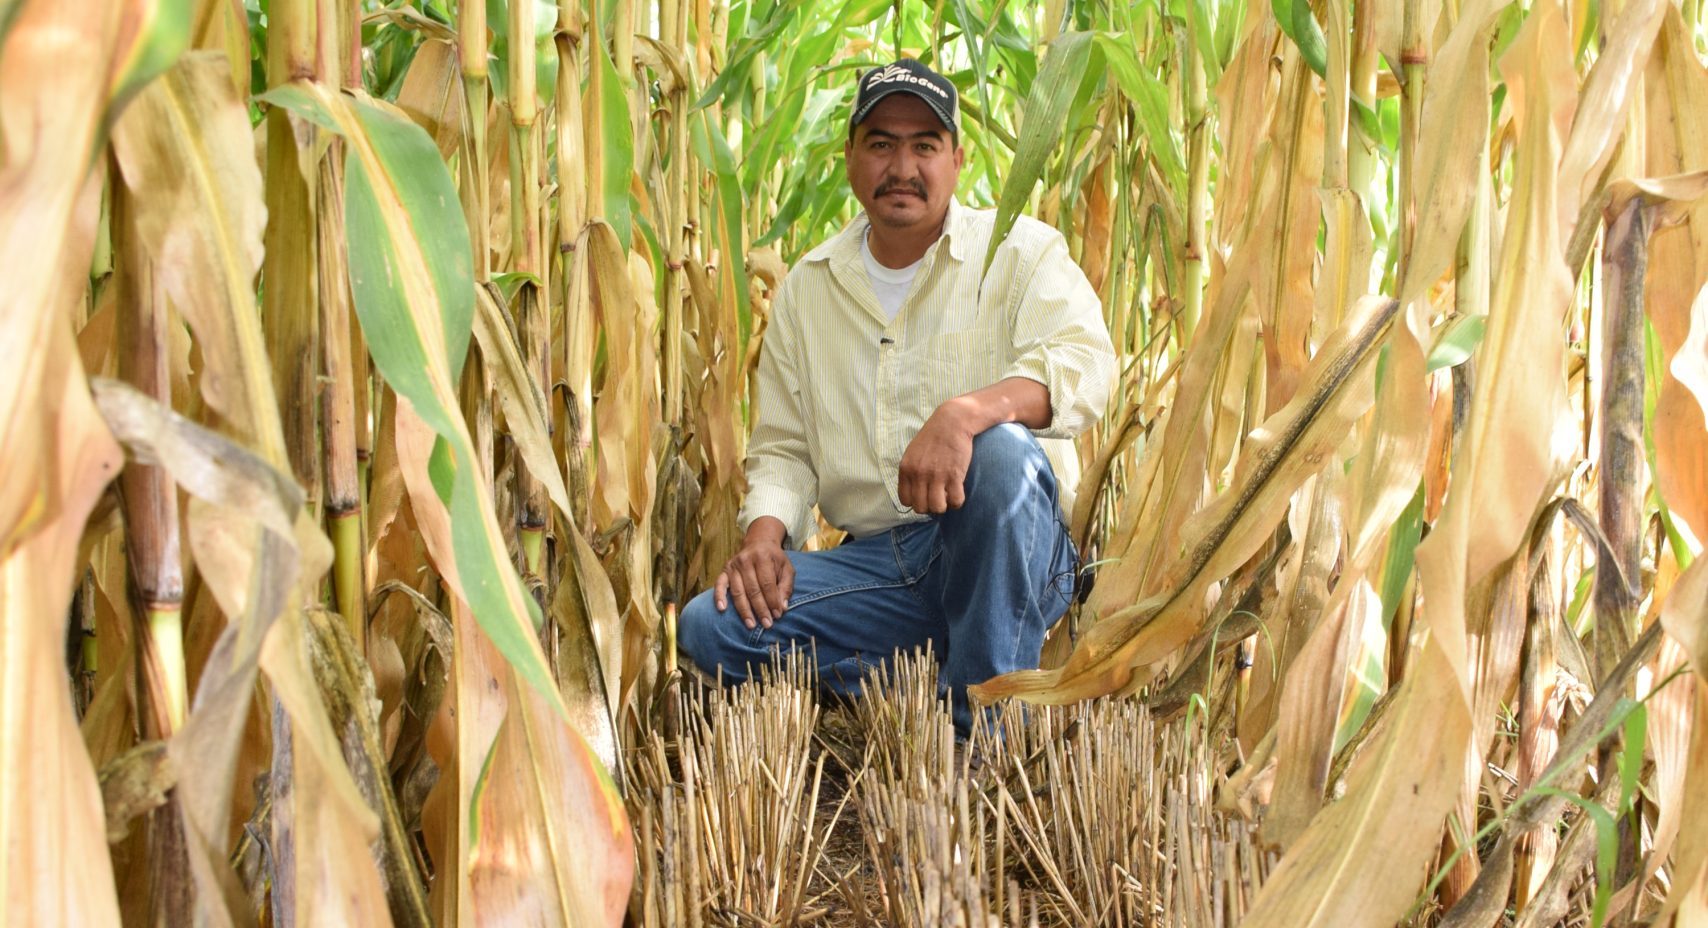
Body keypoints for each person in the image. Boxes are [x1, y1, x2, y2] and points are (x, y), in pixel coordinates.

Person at [677, 57, 1116, 734]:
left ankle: (982, 733)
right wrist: (765, 538)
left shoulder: (1020, 253)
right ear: (850, 156)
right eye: (881, 143)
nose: (901, 166)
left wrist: (969, 413)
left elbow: (1089, 369)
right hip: (885, 567)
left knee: (995, 454)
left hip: (1014, 551)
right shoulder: (810, 291)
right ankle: (952, 661)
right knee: (712, 627)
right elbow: (785, 450)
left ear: (958, 160)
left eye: (924, 146)